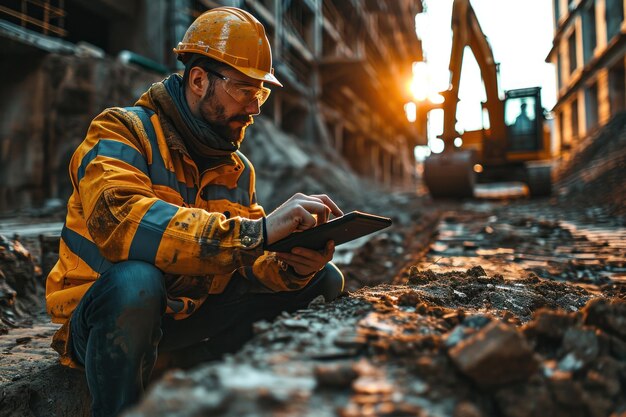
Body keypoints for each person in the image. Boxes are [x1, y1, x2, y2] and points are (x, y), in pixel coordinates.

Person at [45, 7, 344, 417]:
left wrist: (294, 264)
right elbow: (123, 224)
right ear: (199, 79)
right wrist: (257, 232)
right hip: (106, 321)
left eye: (261, 93)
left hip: (189, 317)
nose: (255, 107)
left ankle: (211, 392)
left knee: (323, 280)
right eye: (244, 89)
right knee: (136, 281)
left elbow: (246, 267)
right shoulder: (121, 131)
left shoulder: (238, 171)